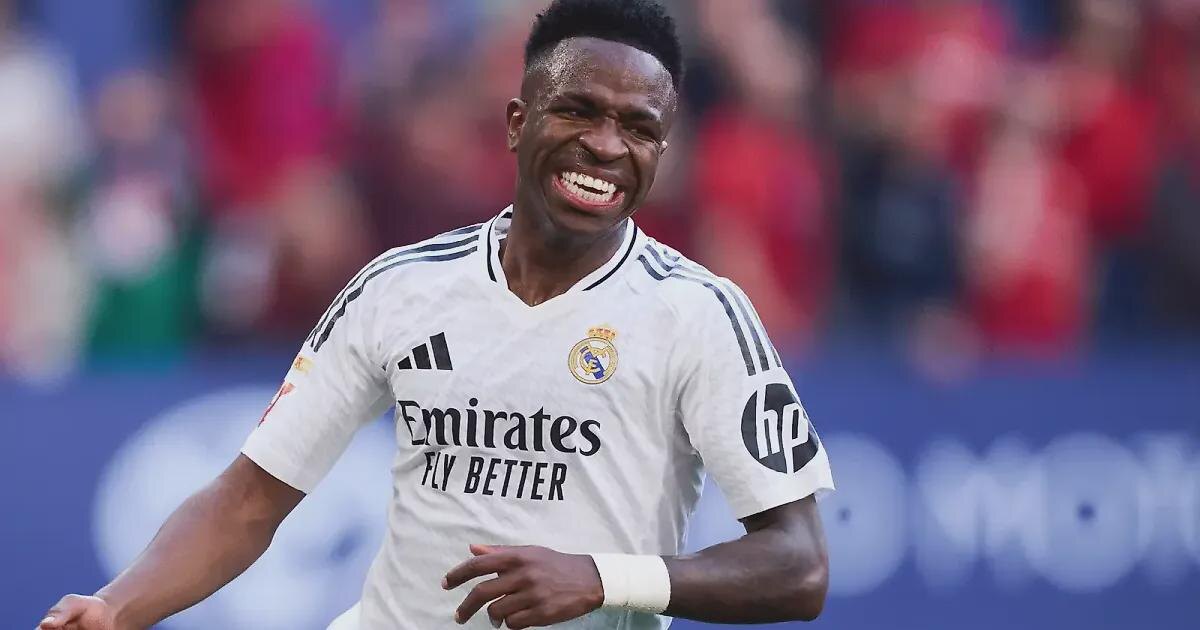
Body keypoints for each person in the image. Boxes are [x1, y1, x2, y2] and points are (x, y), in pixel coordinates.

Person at [38, 1, 833, 628]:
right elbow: (249, 499)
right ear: (518, 122)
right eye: (578, 111)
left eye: (639, 128)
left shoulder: (698, 314)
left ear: (661, 152)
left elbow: (799, 566)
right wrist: (117, 607)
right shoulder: (401, 288)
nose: (605, 145)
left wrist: (604, 579)